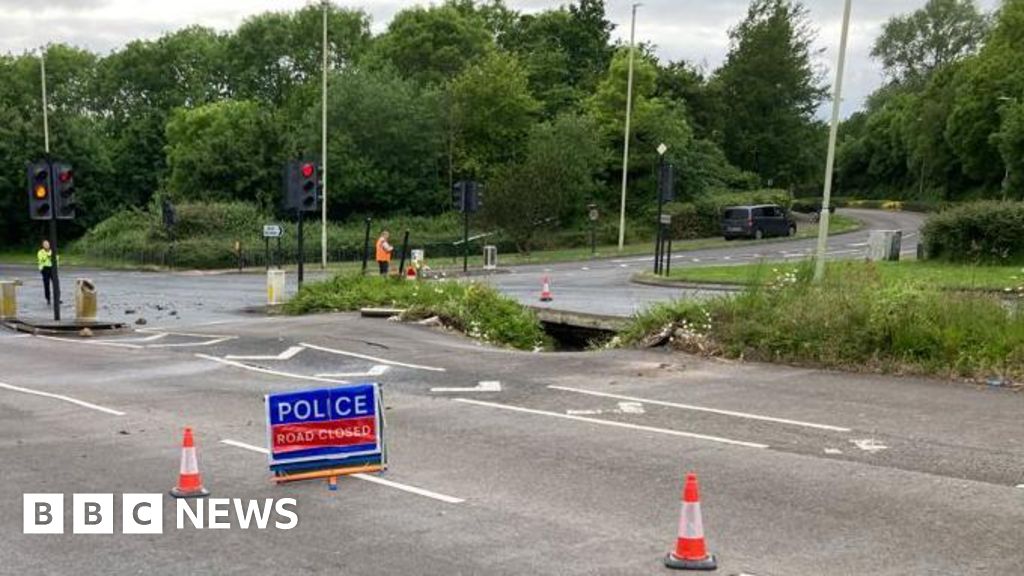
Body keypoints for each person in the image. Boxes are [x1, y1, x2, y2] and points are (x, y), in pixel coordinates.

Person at [37, 239, 54, 305]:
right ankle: (48, 299)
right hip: (45, 268)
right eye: (45, 244)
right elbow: (42, 259)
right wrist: (48, 256)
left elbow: (56, 258)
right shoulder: (40, 252)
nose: (46, 245)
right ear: (43, 245)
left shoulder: (53, 251)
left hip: (52, 268)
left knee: (56, 284)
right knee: (46, 284)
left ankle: (57, 298)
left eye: (47, 244)